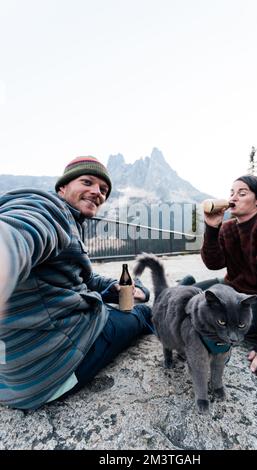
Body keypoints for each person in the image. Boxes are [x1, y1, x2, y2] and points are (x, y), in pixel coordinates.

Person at [0, 156, 152, 410]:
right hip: (48, 376)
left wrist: (116, 287)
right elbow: (18, 234)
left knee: (118, 300)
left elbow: (85, 278)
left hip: (12, 379)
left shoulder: (70, 222)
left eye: (103, 190)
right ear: (62, 188)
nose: (97, 192)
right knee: (143, 312)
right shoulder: (49, 210)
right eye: (87, 182)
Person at [181, 175, 257, 383]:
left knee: (204, 320)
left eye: (242, 193)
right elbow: (214, 262)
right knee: (182, 299)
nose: (234, 197)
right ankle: (186, 286)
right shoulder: (229, 228)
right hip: (232, 288)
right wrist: (212, 227)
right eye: (232, 193)